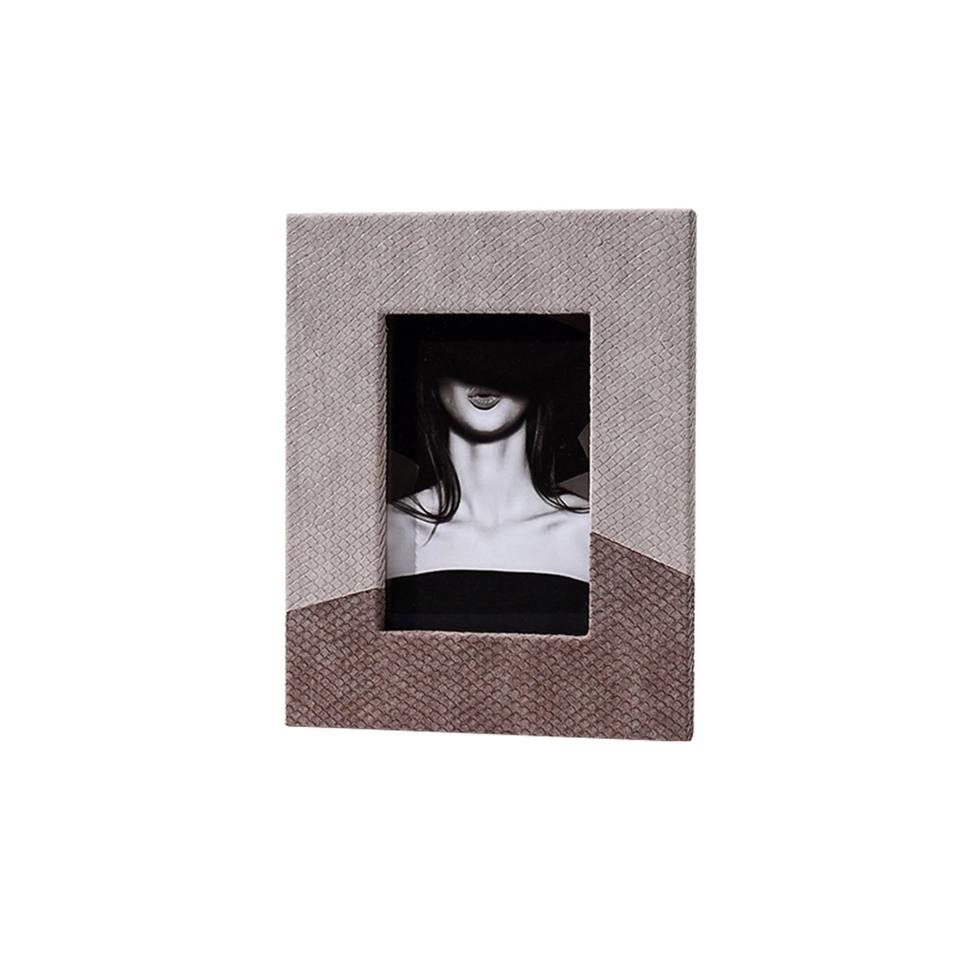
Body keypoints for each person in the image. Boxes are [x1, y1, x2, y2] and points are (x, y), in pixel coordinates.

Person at [385, 316, 590, 635]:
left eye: (507, 359)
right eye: (462, 357)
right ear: (430, 373)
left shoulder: (587, 536)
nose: (484, 375)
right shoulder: (385, 535)